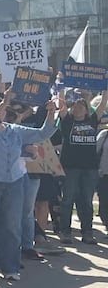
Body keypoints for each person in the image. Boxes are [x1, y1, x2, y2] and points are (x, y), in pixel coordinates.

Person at [0, 91, 57, 282]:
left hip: (14, 182)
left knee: (12, 225)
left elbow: (43, 133)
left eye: (6, 111)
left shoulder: (16, 130)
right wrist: (4, 101)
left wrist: (51, 113)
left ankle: (10, 267)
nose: (3, 114)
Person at [56, 93, 105, 244]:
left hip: (89, 168)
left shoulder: (92, 120)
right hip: (71, 167)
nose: (77, 109)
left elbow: (103, 103)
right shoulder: (67, 121)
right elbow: (61, 104)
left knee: (87, 201)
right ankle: (65, 232)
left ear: (86, 110)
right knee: (68, 200)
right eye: (75, 106)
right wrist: (61, 85)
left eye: (81, 106)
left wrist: (104, 88)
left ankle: (87, 233)